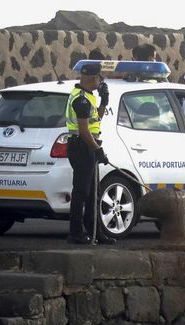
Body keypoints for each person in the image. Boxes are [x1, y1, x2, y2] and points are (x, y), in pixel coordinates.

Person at [65, 63, 114, 245]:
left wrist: (104, 102)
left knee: (94, 192)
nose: (100, 81)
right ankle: (75, 233)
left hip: (87, 145)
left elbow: (96, 120)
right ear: (94, 78)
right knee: (81, 191)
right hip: (81, 146)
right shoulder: (81, 100)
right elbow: (84, 131)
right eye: (100, 78)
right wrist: (97, 150)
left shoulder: (88, 97)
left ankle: (95, 231)